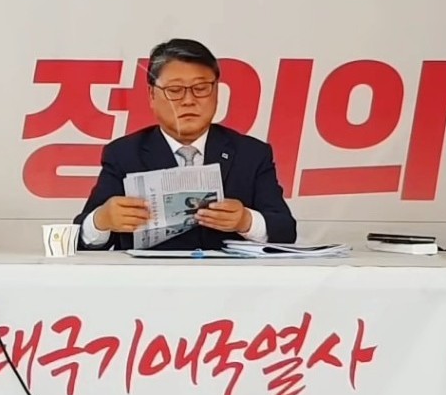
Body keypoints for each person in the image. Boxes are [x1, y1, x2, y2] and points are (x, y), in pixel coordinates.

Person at [74, 38, 296, 250]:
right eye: (175, 90)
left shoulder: (251, 154)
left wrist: (246, 221)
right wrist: (102, 220)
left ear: (216, 92)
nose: (189, 100)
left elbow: (286, 230)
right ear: (152, 95)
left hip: (227, 275)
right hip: (151, 275)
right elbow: (80, 241)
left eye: (201, 88)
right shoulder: (124, 154)